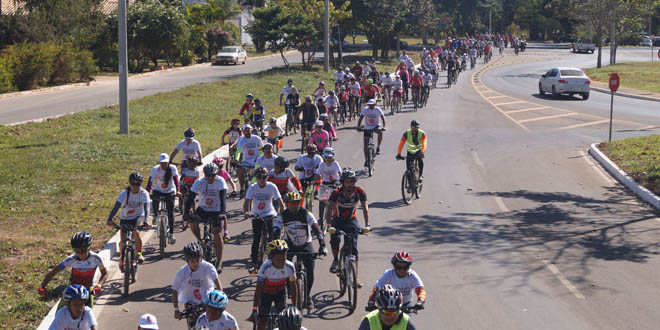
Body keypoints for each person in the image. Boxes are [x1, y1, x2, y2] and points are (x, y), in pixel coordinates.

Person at [273, 192, 326, 307]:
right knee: (284, 266)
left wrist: (322, 244)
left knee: (310, 270)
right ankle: (289, 287)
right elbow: (276, 229)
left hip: (305, 243)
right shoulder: (282, 215)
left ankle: (307, 297)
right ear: (286, 204)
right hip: (289, 244)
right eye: (291, 203)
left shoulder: (305, 213)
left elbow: (316, 228)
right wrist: (274, 242)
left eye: (296, 203)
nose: (294, 205)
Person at [39, 231, 107, 309]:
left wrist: (99, 285)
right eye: (77, 251)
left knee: (88, 313)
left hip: (88, 289)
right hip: (72, 289)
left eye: (83, 250)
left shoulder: (96, 259)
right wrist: (42, 286)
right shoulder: (71, 259)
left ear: (90, 248)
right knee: (59, 312)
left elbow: (104, 274)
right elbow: (53, 272)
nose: (80, 254)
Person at [325, 168, 371, 281]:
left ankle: (356, 278)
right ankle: (336, 260)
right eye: (347, 182)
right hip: (337, 220)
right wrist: (329, 225)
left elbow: (365, 209)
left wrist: (367, 224)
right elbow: (329, 209)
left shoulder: (360, 191)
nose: (349, 184)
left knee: (354, 249)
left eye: (351, 181)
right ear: (343, 182)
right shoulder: (336, 193)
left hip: (351, 221)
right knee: (335, 240)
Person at [183, 163, 228, 272]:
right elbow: (190, 198)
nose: (209, 178)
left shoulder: (220, 181)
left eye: (212, 175)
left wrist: (222, 212)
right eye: (207, 175)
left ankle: (219, 262)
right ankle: (200, 240)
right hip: (203, 209)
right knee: (192, 222)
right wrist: (186, 213)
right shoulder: (199, 182)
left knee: (217, 234)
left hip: (216, 210)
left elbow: (223, 199)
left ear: (215, 174)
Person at [244, 167, 284, 273]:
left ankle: (273, 259)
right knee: (256, 238)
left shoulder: (272, 186)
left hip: (269, 213)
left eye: (264, 177)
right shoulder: (253, 187)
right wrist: (246, 212)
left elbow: (280, 202)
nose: (262, 180)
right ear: (256, 178)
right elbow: (247, 201)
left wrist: (282, 214)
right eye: (259, 178)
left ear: (267, 177)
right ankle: (254, 263)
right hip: (256, 215)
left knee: (272, 237)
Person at [173, 242, 223, 328]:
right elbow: (174, 290)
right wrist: (176, 309)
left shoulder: (208, 267)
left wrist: (219, 302)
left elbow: (219, 286)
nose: (196, 263)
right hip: (190, 302)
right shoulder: (182, 272)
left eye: (198, 260)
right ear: (187, 260)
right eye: (192, 261)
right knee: (192, 326)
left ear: (201, 258)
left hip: (207, 301)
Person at [252, 240, 297, 330]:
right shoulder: (265, 267)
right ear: (271, 258)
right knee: (262, 323)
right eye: (277, 259)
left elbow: (293, 288)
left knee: (285, 321)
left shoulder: (290, 267)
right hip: (265, 293)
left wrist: (294, 307)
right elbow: (258, 289)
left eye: (283, 259)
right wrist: (254, 308)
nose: (281, 262)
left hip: (280, 293)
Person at [106, 173, 150, 265]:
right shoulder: (124, 194)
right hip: (125, 218)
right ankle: (122, 258)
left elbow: (147, 208)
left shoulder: (144, 194)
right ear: (130, 183)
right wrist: (109, 219)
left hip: (138, 216)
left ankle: (139, 254)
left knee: (136, 232)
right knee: (123, 240)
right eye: (133, 184)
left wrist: (146, 220)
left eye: (138, 184)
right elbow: (116, 207)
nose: (135, 186)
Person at [146, 153, 180, 244]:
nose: (163, 165)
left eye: (165, 163)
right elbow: (150, 180)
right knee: (155, 200)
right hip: (158, 189)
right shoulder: (156, 169)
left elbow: (176, 180)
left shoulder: (172, 168)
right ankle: (156, 215)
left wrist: (178, 191)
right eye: (161, 163)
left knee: (170, 211)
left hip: (170, 191)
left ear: (168, 163)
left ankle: (172, 233)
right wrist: (147, 191)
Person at [234, 124, 264, 197]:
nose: (247, 131)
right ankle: (242, 188)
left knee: (260, 174)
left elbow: (262, 148)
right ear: (243, 132)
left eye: (249, 129)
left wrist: (260, 157)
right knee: (241, 172)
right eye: (246, 130)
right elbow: (238, 151)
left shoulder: (256, 138)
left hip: (256, 160)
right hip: (246, 161)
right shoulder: (242, 140)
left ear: (252, 130)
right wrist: (236, 160)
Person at [315, 147, 341, 230]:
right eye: (326, 157)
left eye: (330, 157)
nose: (328, 159)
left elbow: (340, 173)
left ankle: (335, 216)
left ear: (333, 156)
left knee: (334, 202)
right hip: (325, 183)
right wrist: (316, 181)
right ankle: (321, 217)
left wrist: (340, 182)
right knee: (321, 201)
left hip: (335, 183)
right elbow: (318, 174)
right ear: (323, 157)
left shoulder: (335, 164)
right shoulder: (322, 165)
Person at [357, 99, 386, 166]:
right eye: (370, 105)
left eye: (372, 105)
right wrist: (358, 126)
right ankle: (366, 160)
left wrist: (384, 126)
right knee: (365, 145)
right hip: (367, 127)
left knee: (380, 132)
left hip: (376, 126)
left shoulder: (378, 109)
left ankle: (378, 146)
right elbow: (361, 117)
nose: (371, 106)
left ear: (375, 104)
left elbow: (382, 117)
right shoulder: (365, 109)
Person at [180, 156, 200, 228]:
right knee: (183, 195)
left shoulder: (197, 172)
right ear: (188, 164)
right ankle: (181, 205)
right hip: (186, 185)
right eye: (190, 163)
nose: (192, 165)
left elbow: (197, 180)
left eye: (194, 164)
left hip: (193, 187)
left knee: (193, 200)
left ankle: (194, 211)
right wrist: (181, 184)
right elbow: (181, 179)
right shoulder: (185, 171)